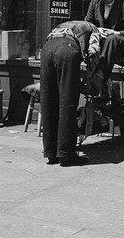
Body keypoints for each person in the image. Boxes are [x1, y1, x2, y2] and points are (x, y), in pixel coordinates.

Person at [40, 20, 101, 167]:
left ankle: (51, 153)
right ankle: (67, 155)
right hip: (66, 50)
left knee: (49, 102)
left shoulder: (67, 24)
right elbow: (94, 50)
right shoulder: (94, 29)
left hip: (47, 49)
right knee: (67, 103)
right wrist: (91, 75)